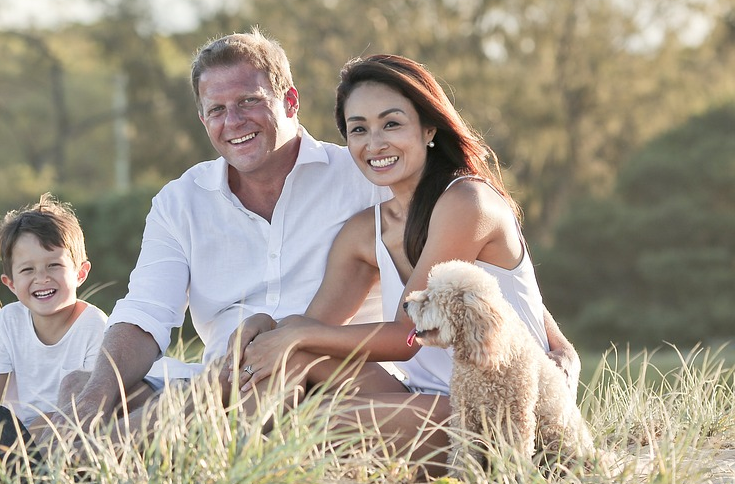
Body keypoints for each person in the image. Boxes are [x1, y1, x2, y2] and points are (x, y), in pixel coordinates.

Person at [234, 54, 579, 461]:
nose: (375, 143)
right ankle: (221, 448)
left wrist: (296, 334)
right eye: (359, 129)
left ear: (428, 128)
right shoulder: (364, 232)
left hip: (497, 410)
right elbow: (315, 328)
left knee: (314, 422)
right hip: (423, 395)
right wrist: (273, 331)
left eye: (391, 123)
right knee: (295, 357)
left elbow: (408, 336)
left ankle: (245, 453)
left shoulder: (466, 202)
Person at [59, 29, 391, 432]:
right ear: (203, 120)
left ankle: (98, 452)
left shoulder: (364, 180)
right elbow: (145, 312)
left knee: (246, 388)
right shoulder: (180, 202)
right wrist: (96, 399)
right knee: (83, 386)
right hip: (218, 383)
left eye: (249, 101)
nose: (233, 122)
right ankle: (67, 452)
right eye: (216, 110)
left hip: (325, 376)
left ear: (290, 101)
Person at [0, 194, 107, 435]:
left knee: (53, 422)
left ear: (80, 273)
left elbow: (90, 409)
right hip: (15, 434)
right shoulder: (10, 320)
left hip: (68, 434)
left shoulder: (94, 325)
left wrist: (35, 431)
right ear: (11, 283)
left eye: (54, 265)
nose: (41, 278)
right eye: (27, 269)